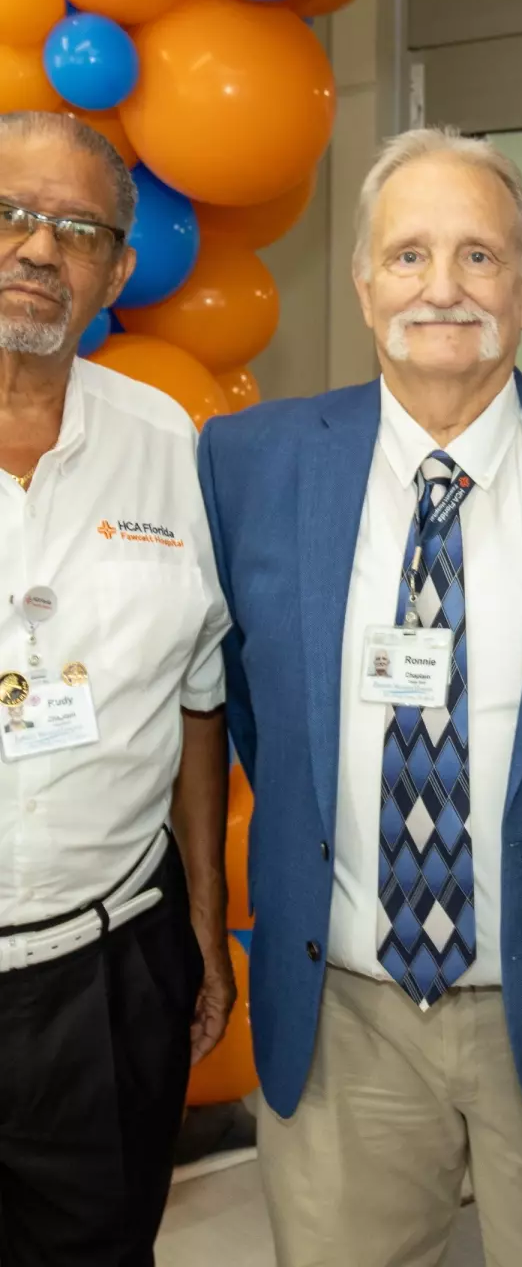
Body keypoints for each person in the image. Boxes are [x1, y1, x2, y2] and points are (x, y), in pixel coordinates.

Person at [198, 128, 522, 1266]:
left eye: (479, 257)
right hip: (345, 1011)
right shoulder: (248, 461)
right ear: (361, 285)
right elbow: (255, 708)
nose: (441, 289)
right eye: (407, 256)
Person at [0, 111, 233, 1264]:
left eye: (75, 229)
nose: (38, 249)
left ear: (118, 271)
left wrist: (204, 921)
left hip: (104, 976)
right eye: (10, 215)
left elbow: (199, 698)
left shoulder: (167, 442)